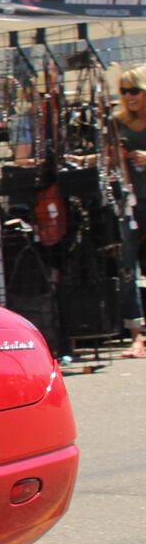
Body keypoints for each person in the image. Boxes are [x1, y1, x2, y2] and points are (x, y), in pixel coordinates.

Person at [111, 64, 146, 358]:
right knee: (128, 267)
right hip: (130, 203)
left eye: (134, 89)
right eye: (124, 91)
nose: (129, 96)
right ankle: (138, 335)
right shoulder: (117, 122)